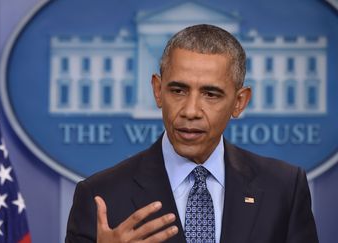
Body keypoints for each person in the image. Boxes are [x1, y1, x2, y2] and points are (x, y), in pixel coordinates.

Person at [65, 24, 318, 243]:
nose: (190, 111)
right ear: (157, 91)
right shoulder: (101, 196)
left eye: (211, 94)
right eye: (178, 90)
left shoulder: (284, 188)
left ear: (239, 102)